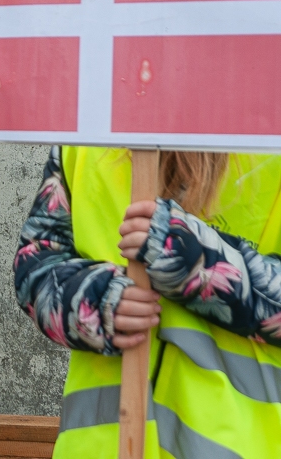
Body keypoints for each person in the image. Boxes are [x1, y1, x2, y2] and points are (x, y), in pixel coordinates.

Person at [15, 147, 281, 457]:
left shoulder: (269, 139)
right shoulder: (86, 137)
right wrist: (96, 298)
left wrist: (201, 264)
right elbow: (35, 265)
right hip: (103, 447)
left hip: (237, 445)